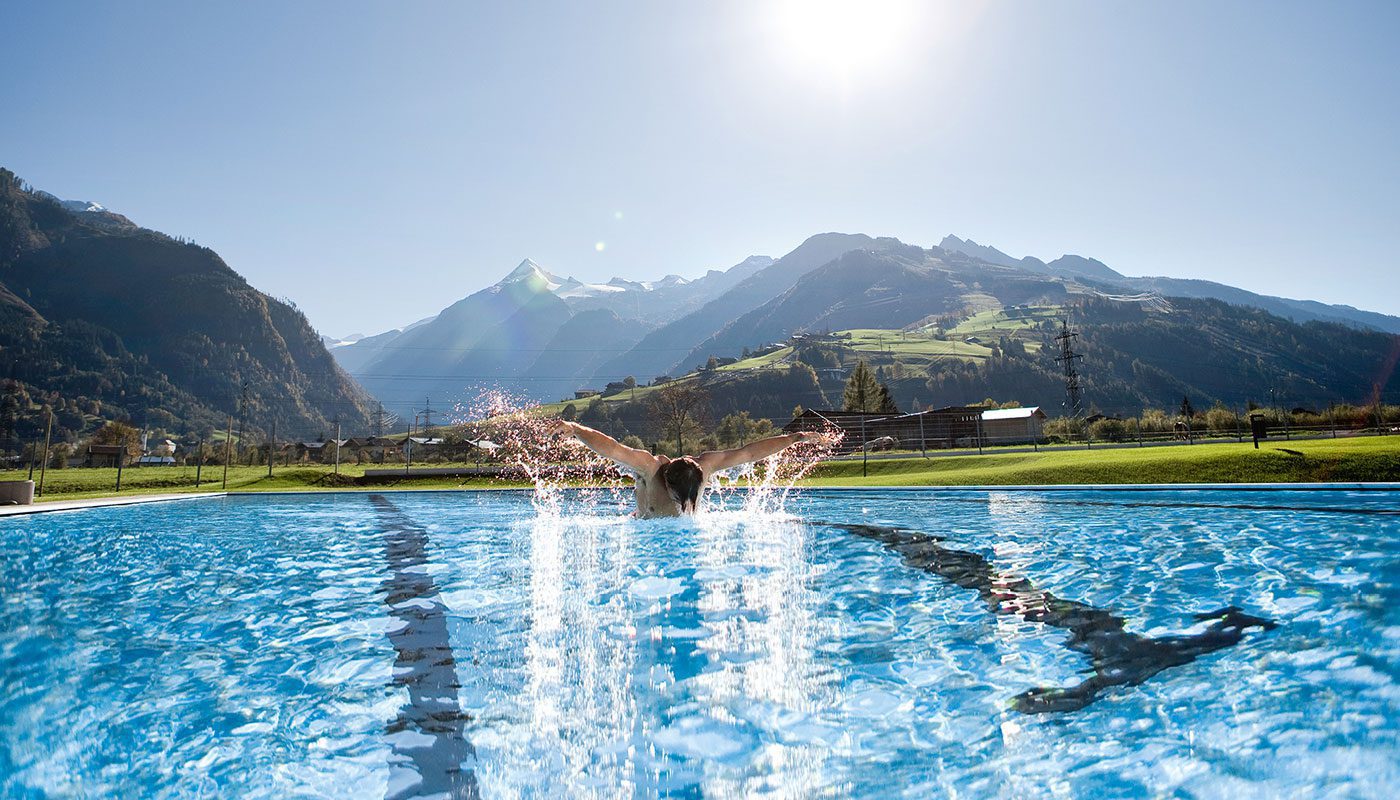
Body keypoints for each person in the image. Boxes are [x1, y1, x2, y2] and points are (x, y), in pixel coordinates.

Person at [548, 420, 828, 518]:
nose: (682, 506)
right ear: (667, 483)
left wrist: (795, 438)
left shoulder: (703, 468)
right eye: (676, 499)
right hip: (642, 528)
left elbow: (749, 452)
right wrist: (575, 429)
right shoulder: (649, 467)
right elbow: (613, 448)